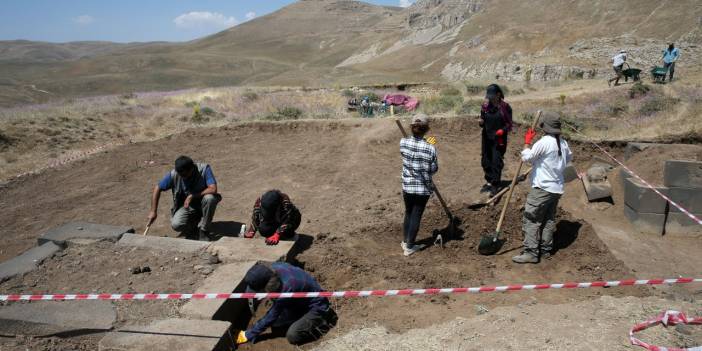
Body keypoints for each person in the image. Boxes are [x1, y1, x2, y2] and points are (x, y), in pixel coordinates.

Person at [512, 113, 573, 264]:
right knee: (548, 220)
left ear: (545, 128)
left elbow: (526, 158)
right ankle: (545, 250)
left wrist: (527, 143)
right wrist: (541, 165)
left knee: (531, 219)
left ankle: (531, 253)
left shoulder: (544, 142)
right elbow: (568, 159)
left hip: (542, 189)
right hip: (556, 189)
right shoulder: (563, 143)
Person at [236, 262, 338, 346]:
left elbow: (272, 315)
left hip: (317, 306)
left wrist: (249, 334)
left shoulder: (285, 289)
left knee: (293, 336)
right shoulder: (273, 269)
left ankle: (323, 319)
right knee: (277, 323)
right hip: (300, 298)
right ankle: (297, 313)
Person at [147, 156, 220, 241]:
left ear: (192, 168)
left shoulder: (204, 169)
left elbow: (213, 189)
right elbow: (157, 188)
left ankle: (204, 230)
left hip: (203, 203)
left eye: (184, 174)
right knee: (176, 224)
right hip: (188, 206)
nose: (182, 177)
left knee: (209, 198)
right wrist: (153, 211)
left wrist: (193, 195)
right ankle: (193, 226)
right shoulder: (175, 174)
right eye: (180, 174)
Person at [399, 113, 438, 256]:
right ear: (426, 129)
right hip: (423, 187)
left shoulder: (403, 142)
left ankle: (405, 241)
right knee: (416, 214)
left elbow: (405, 155)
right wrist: (430, 144)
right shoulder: (431, 148)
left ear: (411, 127)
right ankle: (409, 247)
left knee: (408, 212)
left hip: (407, 185)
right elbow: (433, 169)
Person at [479, 84, 513, 197]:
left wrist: (502, 131)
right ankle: (489, 181)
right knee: (485, 161)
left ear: (498, 94)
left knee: (496, 162)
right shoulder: (485, 106)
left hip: (499, 140)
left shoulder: (505, 107)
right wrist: (481, 122)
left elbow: (509, 125)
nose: (489, 98)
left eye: (492, 95)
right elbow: (482, 120)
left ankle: (495, 185)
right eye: (488, 96)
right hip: (486, 137)